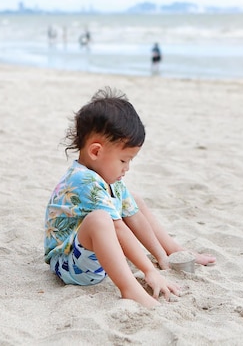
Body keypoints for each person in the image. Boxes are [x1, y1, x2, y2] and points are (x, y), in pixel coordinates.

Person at [44, 88, 215, 308]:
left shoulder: (107, 178)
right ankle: (130, 289)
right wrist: (148, 271)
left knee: (132, 199)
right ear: (96, 152)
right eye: (124, 160)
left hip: (87, 254)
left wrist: (158, 256)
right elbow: (118, 229)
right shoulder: (83, 181)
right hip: (70, 266)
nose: (127, 168)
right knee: (101, 219)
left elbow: (133, 215)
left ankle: (170, 251)